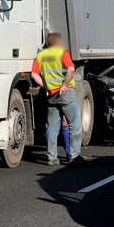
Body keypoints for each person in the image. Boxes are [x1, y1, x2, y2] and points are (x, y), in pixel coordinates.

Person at [31, 33, 88, 166]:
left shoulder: (41, 56)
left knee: (52, 127)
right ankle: (74, 157)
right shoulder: (63, 53)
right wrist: (65, 85)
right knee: (74, 125)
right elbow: (70, 69)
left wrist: (45, 86)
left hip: (51, 95)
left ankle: (52, 158)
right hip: (66, 93)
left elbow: (34, 74)